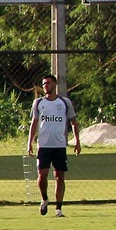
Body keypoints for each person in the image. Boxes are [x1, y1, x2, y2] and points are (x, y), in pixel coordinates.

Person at [29, 75, 78, 217]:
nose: (45, 85)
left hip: (59, 145)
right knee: (42, 174)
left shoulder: (64, 102)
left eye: (48, 83)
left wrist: (77, 141)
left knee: (59, 176)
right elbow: (34, 123)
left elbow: (73, 122)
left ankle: (58, 208)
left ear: (55, 84)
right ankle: (44, 198)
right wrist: (30, 142)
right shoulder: (38, 102)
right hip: (43, 145)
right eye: (43, 83)